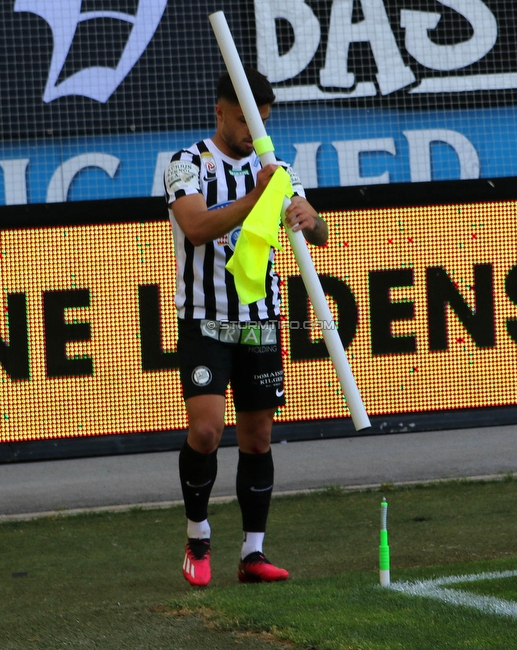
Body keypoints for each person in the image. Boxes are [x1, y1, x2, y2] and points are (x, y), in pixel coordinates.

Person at [164, 68, 328, 587]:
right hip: (205, 320)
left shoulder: (276, 169)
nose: (253, 129)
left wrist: (306, 214)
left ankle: (253, 555)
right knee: (207, 431)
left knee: (258, 438)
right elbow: (194, 227)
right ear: (220, 111)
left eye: (261, 119)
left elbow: (319, 232)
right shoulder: (187, 163)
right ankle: (198, 535)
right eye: (243, 118)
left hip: (259, 322)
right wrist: (257, 199)